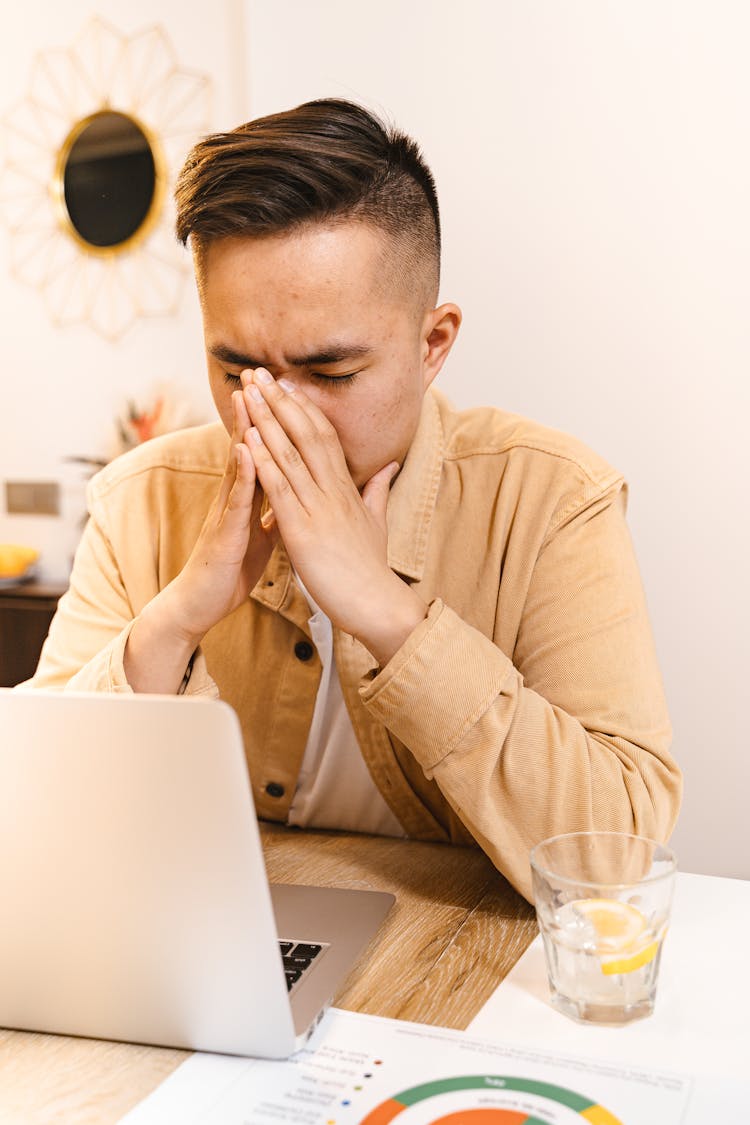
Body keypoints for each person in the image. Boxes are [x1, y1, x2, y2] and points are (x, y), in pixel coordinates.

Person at [27, 98, 681, 900]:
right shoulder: (143, 498)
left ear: (432, 343)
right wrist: (178, 616)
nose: (275, 414)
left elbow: (615, 856)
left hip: (469, 967)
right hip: (223, 942)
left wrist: (390, 616)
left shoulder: (553, 499)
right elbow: (32, 827)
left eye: (331, 374)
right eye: (236, 372)